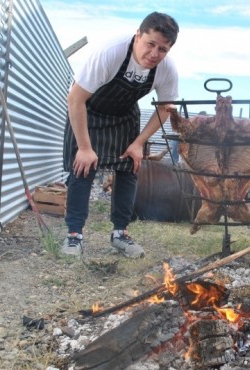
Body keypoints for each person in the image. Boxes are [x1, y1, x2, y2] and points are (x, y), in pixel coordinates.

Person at [61, 12, 180, 258]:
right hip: (89, 111)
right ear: (138, 35)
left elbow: (165, 109)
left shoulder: (166, 69)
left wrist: (139, 143)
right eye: (150, 44)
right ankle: (74, 236)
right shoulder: (111, 52)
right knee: (82, 169)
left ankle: (120, 234)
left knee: (129, 169)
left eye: (163, 49)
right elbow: (75, 99)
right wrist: (84, 147)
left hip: (125, 116)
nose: (155, 54)